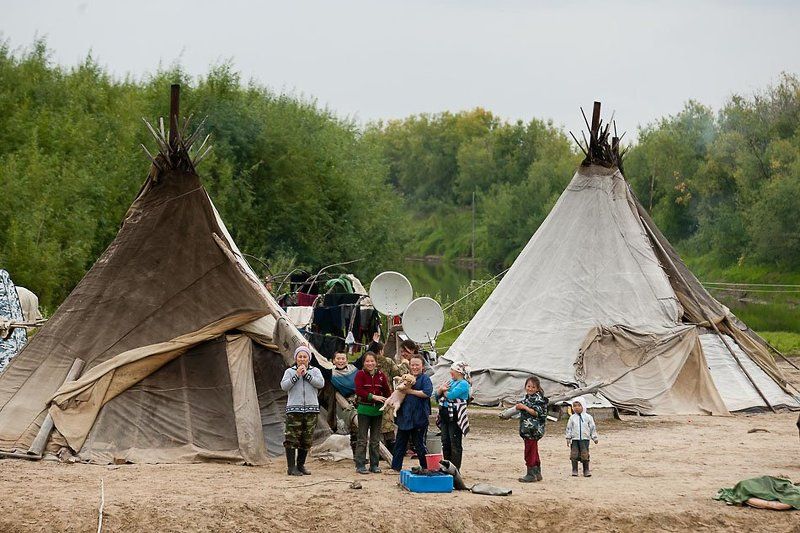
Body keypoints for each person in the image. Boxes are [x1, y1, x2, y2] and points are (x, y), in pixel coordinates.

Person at [280, 345, 325, 476]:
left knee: (306, 439)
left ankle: (301, 465)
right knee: (291, 438)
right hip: (294, 410)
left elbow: (320, 384)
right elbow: (284, 386)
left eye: (305, 356)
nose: (302, 359)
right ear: (296, 358)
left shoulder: (315, 371)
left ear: (309, 359)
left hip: (311, 410)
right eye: (299, 356)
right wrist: (297, 375)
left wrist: (306, 375)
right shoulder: (289, 371)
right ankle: (291, 467)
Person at [391, 354, 433, 471]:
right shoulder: (405, 378)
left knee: (419, 444)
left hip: (419, 417)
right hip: (405, 416)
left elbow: (427, 393)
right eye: (412, 365)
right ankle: (395, 467)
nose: (414, 367)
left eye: (417, 365)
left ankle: (426, 467)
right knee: (400, 443)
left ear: (422, 366)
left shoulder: (425, 379)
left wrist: (410, 391)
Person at [354, 352, 390, 474]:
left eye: (372, 361)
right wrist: (373, 396)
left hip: (377, 411)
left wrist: (389, 400)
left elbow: (387, 391)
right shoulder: (360, 374)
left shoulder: (381, 375)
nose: (370, 363)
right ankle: (360, 465)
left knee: (375, 440)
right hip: (364, 409)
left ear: (376, 362)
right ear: (363, 363)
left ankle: (374, 465)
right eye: (367, 361)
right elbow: (359, 390)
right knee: (362, 439)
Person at [436, 361, 471, 471]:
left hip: (456, 415)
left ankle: (455, 469)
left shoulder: (464, 384)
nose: (450, 372)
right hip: (445, 414)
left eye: (452, 370)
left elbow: (451, 395)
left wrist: (443, 390)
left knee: (454, 442)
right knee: (445, 441)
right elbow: (437, 395)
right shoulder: (451, 381)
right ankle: (447, 466)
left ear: (459, 372)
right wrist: (441, 390)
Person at [516, 376, 549, 483]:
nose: (530, 389)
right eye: (528, 386)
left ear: (537, 388)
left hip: (532, 430)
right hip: (528, 430)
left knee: (529, 452)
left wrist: (524, 407)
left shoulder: (538, 399)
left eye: (533, 387)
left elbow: (536, 413)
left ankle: (531, 474)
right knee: (534, 451)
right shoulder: (528, 398)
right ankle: (537, 473)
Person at [330, 352, 358, 452]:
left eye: (343, 359)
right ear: (333, 361)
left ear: (347, 360)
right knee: (351, 428)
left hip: (359, 399)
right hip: (344, 402)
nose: (340, 361)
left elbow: (363, 358)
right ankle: (355, 452)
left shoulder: (354, 369)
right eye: (338, 359)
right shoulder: (331, 373)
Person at [565, 396, 599, 477]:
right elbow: (569, 428)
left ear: (583, 406)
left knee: (585, 454)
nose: (576, 408)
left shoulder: (588, 417)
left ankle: (586, 470)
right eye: (574, 406)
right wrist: (568, 438)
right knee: (574, 454)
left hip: (585, 439)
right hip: (575, 440)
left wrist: (594, 437)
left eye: (579, 406)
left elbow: (592, 428)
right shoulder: (572, 418)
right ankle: (574, 470)